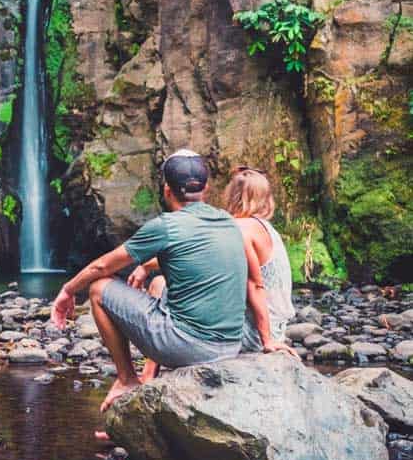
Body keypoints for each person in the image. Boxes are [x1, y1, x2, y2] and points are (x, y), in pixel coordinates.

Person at [51, 150, 255, 412]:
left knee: (99, 289)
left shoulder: (166, 226)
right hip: (231, 344)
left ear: (167, 190)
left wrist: (67, 291)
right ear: (206, 187)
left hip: (189, 347)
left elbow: (103, 266)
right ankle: (148, 377)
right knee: (160, 284)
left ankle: (127, 379)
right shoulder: (228, 221)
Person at [224, 166, 296, 352]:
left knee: (163, 286)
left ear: (233, 195)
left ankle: (149, 374)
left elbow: (254, 285)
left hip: (256, 332)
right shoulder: (265, 227)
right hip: (277, 326)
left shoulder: (241, 228)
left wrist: (267, 341)